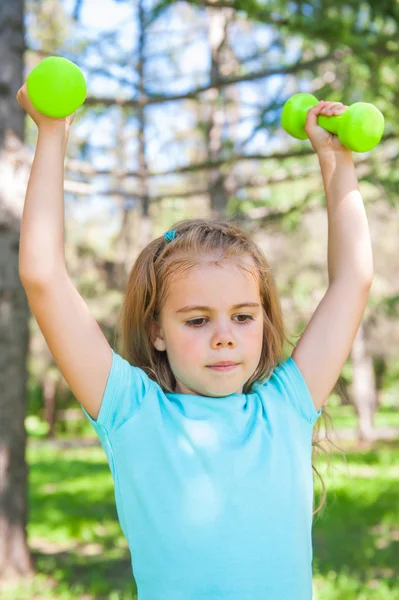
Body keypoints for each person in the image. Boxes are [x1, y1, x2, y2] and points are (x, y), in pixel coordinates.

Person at [17, 81, 373, 600]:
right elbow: (43, 275)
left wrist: (336, 161)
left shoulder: (287, 405)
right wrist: (53, 133)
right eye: (198, 321)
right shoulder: (132, 412)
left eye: (244, 317)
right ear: (157, 331)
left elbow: (353, 279)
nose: (225, 338)